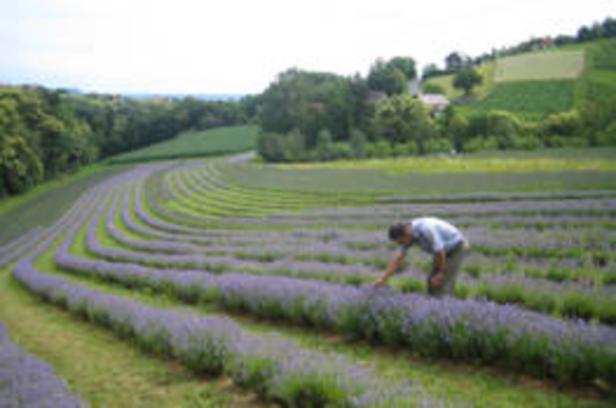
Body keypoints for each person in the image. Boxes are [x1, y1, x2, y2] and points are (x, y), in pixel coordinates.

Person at [372, 217, 469, 297]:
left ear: (406, 234)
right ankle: (434, 307)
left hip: (456, 247)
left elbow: (440, 252)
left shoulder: (426, 230)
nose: (401, 244)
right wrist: (383, 279)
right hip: (441, 251)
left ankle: (444, 309)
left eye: (401, 242)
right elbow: (398, 259)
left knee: (442, 283)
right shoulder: (407, 236)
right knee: (431, 282)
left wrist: (440, 273)